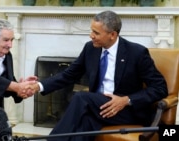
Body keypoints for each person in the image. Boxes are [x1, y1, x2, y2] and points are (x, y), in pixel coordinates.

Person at [33, 10, 168, 141]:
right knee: (85, 124)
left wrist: (126, 100)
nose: (91, 35)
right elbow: (69, 74)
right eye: (91, 30)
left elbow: (160, 87)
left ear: (113, 35)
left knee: (81, 98)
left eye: (96, 32)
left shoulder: (136, 53)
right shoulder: (90, 48)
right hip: (97, 109)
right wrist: (38, 86)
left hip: (126, 110)